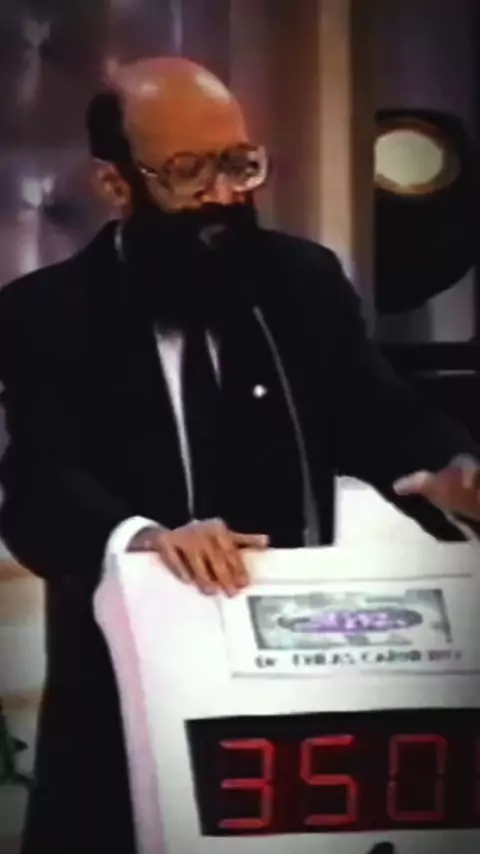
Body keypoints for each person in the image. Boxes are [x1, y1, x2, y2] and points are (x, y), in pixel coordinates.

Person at [0, 56, 479, 854]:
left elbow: (383, 415)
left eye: (238, 163)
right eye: (189, 172)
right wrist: (145, 540)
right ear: (117, 183)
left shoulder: (300, 281)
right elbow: (39, 488)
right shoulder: (47, 312)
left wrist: (457, 470)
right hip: (118, 714)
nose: (224, 194)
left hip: (291, 714)